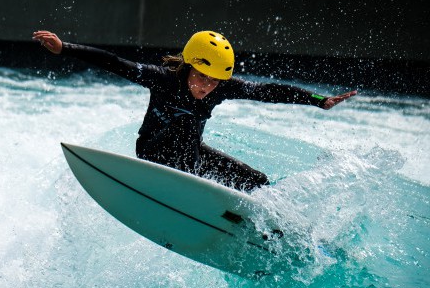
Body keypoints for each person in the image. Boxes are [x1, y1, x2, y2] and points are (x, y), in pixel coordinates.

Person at [32, 29, 357, 192]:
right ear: (188, 65)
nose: (206, 86)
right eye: (202, 76)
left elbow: (268, 91)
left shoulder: (221, 87)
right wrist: (65, 48)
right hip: (155, 157)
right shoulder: (162, 79)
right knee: (183, 140)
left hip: (191, 157)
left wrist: (318, 101)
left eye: (215, 82)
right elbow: (115, 63)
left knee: (257, 183)